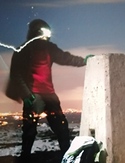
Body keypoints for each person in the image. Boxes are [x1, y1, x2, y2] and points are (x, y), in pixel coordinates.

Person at [5, 19, 93, 161]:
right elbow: (16, 75)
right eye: (43, 33)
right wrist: (28, 96)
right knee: (29, 132)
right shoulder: (23, 51)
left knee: (61, 128)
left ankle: (68, 157)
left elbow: (65, 58)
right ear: (36, 33)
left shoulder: (50, 48)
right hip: (34, 96)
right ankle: (25, 158)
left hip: (49, 95)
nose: (46, 37)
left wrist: (83, 61)